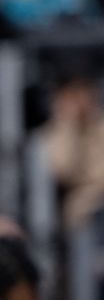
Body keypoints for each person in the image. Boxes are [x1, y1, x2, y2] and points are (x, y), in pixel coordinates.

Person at [36, 74, 104, 227]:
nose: (81, 102)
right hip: (82, 207)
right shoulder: (53, 132)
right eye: (73, 96)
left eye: (84, 93)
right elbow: (64, 171)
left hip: (99, 193)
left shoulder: (100, 126)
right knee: (81, 208)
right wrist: (69, 125)